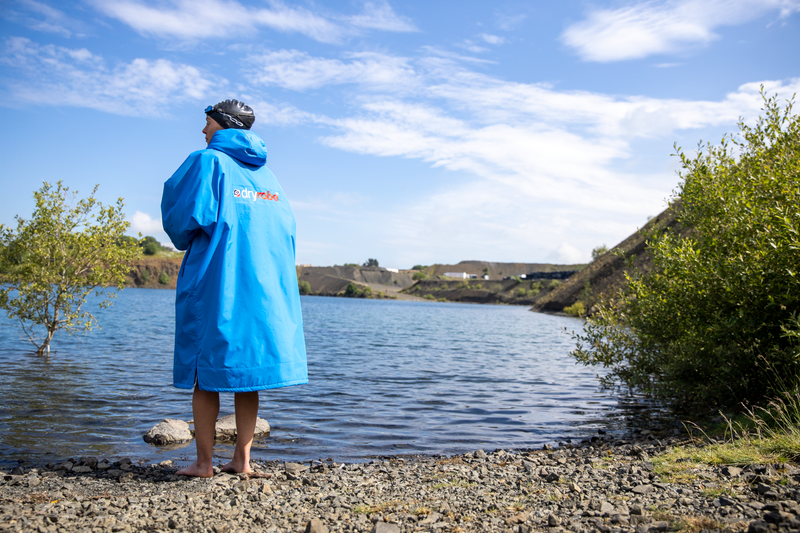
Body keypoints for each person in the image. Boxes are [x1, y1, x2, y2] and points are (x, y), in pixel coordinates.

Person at [161, 99, 308, 478]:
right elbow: (286, 231)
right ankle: (242, 460)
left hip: (217, 283)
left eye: (207, 122)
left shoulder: (208, 161)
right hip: (262, 290)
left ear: (223, 124)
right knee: (246, 373)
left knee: (204, 373)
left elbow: (181, 221)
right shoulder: (268, 177)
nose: (203, 130)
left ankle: (204, 463)